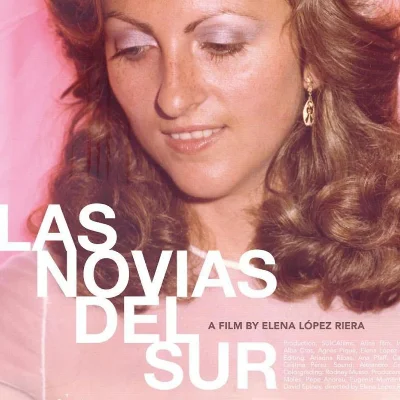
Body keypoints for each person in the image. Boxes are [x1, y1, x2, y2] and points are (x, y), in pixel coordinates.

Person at [0, 0, 399, 399]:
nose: (173, 98)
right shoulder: (37, 310)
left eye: (221, 44)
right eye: (133, 48)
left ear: (316, 56)